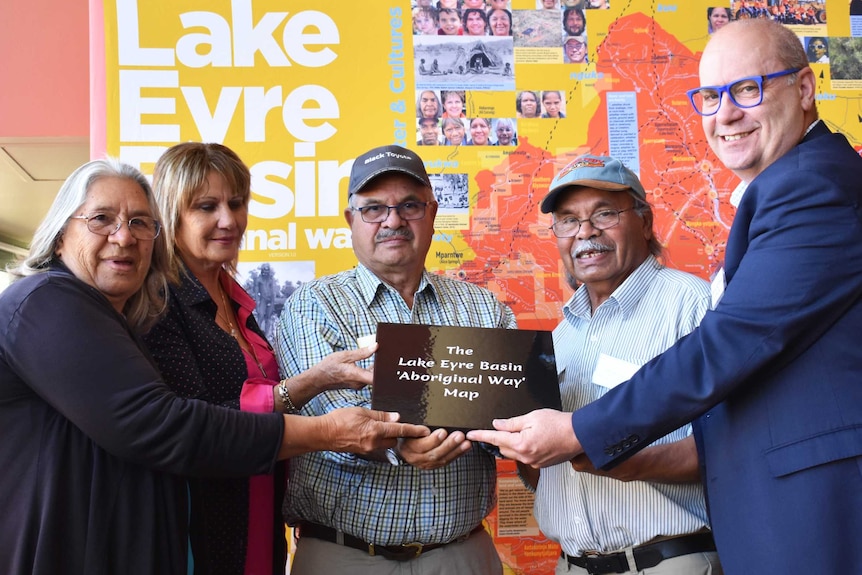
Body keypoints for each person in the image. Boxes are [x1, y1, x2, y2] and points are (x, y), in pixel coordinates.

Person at [468, 18, 862, 574]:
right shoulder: (559, 335)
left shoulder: (812, 188)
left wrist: (585, 432)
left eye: (748, 89)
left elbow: (732, 344)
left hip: (804, 514)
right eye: (710, 97)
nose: (725, 114)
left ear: (803, 89)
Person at [0, 158, 427, 575]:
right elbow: (165, 425)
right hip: (133, 532)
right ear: (59, 235)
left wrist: (316, 384)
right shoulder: (52, 300)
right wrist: (330, 431)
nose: (123, 237)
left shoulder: (177, 303)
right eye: (101, 219)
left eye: (138, 223)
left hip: (223, 514)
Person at [142, 143, 404, 575]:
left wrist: (318, 381)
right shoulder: (159, 306)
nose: (228, 220)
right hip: (204, 523)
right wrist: (312, 389)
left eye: (237, 203)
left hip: (260, 510)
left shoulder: (234, 299)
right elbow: (192, 428)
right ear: (171, 215)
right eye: (206, 207)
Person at [274, 145, 516, 574]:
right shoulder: (314, 304)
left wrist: (515, 429)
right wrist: (400, 445)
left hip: (464, 555)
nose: (393, 220)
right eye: (373, 209)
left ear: (432, 212)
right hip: (347, 557)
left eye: (409, 205)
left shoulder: (485, 310)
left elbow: (512, 413)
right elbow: (332, 421)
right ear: (351, 220)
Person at [525, 154, 721, 575]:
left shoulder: (695, 306)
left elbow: (733, 446)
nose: (585, 232)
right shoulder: (561, 336)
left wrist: (628, 462)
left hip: (666, 562)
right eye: (567, 220)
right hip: (573, 565)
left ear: (645, 222)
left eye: (604, 213)